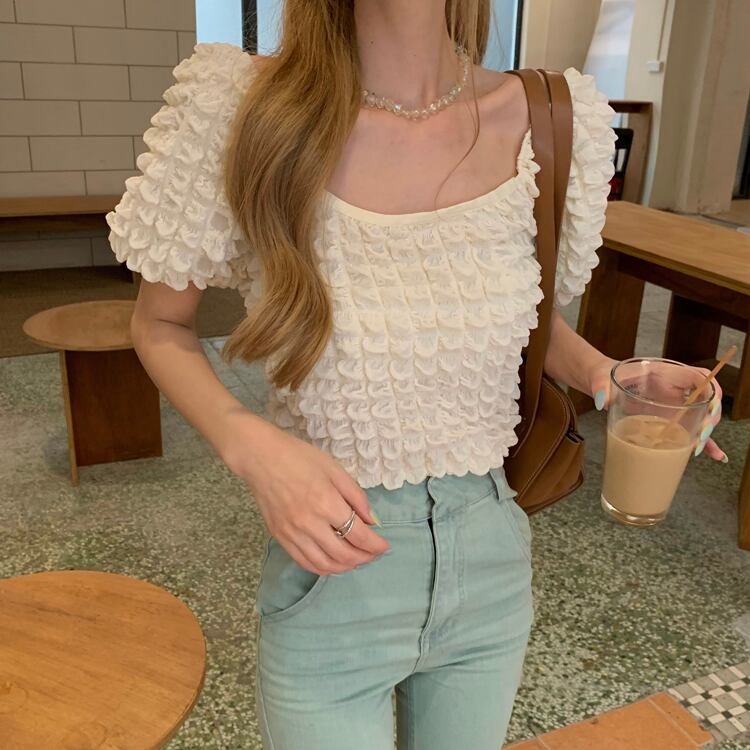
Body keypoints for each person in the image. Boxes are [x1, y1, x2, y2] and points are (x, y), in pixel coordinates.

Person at [105, 1, 726, 747]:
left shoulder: (549, 119)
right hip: (335, 567)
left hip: (491, 557)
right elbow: (158, 323)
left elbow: (524, 317)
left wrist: (608, 374)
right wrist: (250, 447)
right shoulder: (242, 110)